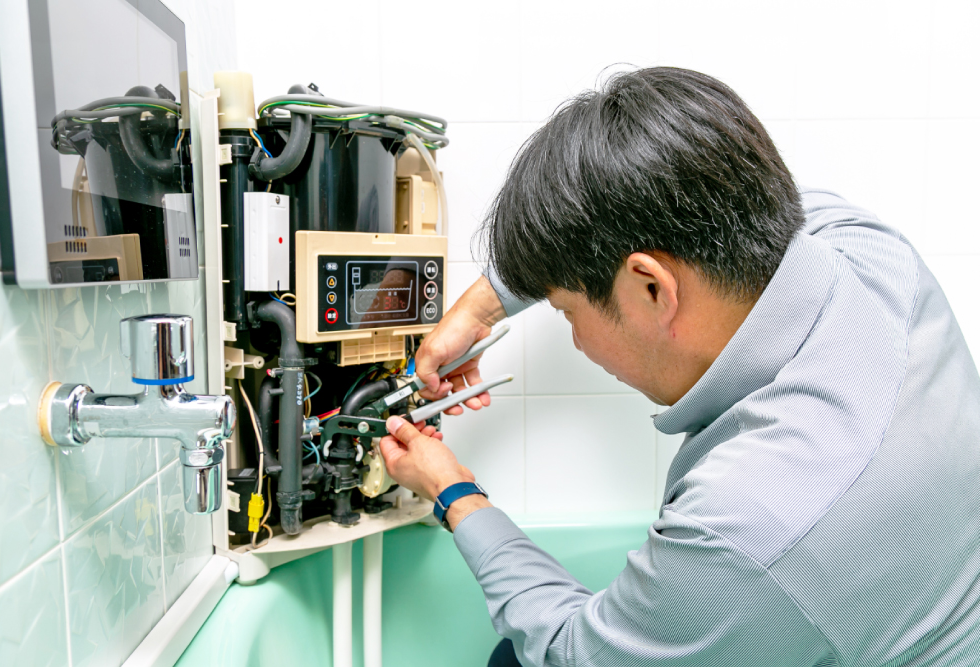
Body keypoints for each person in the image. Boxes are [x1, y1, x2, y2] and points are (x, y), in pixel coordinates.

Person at [378, 67, 980, 666]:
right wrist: (480, 307)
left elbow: (573, 655)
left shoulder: (746, 522)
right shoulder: (868, 249)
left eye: (566, 312)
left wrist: (454, 492)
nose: (576, 340)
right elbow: (711, 191)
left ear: (652, 287)